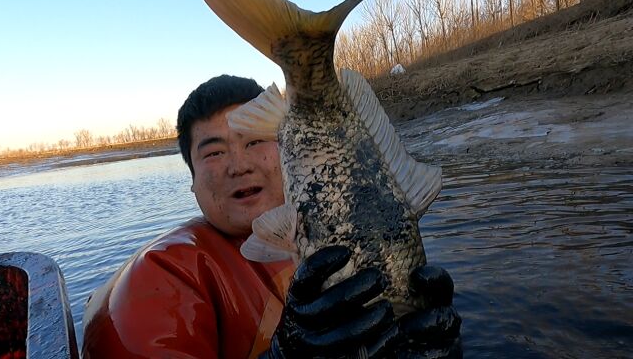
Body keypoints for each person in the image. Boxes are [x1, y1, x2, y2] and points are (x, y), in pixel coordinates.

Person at [82, 75, 461, 358]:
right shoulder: (163, 277)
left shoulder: (333, 231)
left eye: (255, 141)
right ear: (192, 181)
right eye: (213, 153)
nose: (239, 165)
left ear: (290, 154)